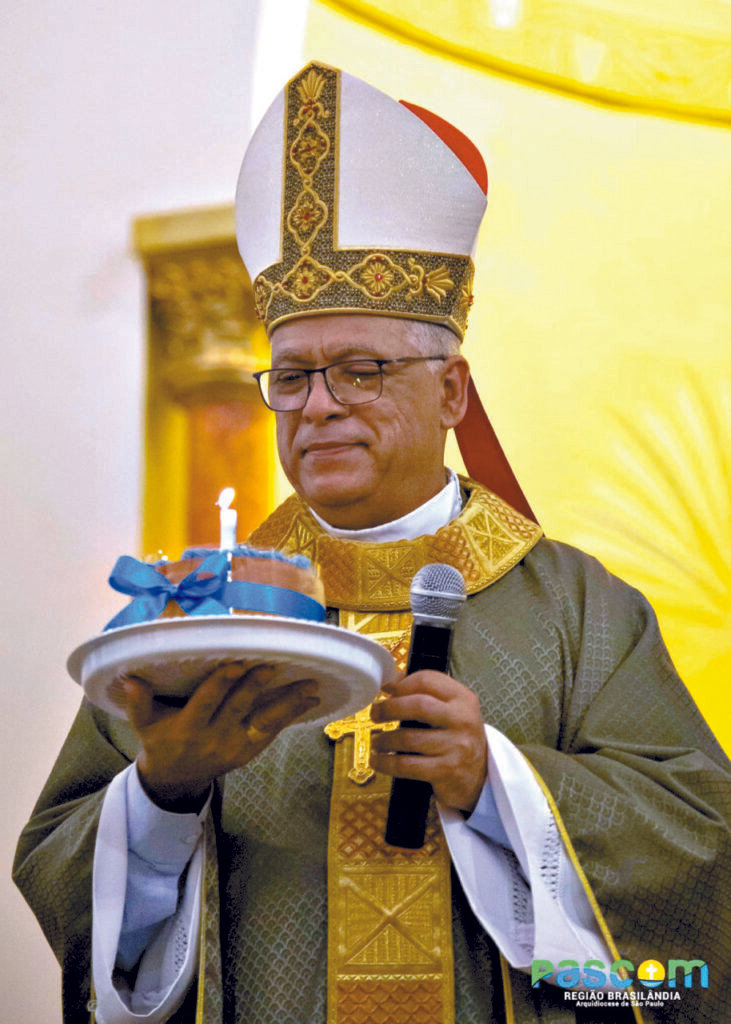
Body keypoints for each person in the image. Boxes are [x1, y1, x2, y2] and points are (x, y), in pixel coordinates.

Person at [14, 61, 730, 1024]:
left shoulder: (579, 612)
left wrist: (497, 785)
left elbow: (703, 852)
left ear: (451, 393)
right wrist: (163, 792)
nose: (318, 407)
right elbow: (62, 873)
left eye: (360, 369)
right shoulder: (200, 614)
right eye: (294, 375)